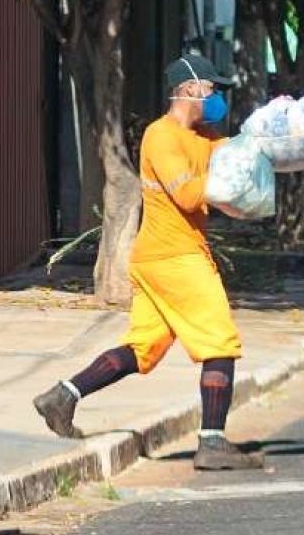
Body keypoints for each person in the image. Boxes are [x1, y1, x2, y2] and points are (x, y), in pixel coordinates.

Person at [33, 54, 263, 471]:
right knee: (219, 341)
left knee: (144, 348)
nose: (217, 98)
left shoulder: (206, 137)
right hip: (176, 258)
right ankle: (212, 441)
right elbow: (190, 195)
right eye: (213, 89)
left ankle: (62, 396)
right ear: (190, 90)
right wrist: (225, 184)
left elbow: (235, 164)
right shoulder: (161, 137)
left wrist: (265, 149)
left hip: (163, 258)